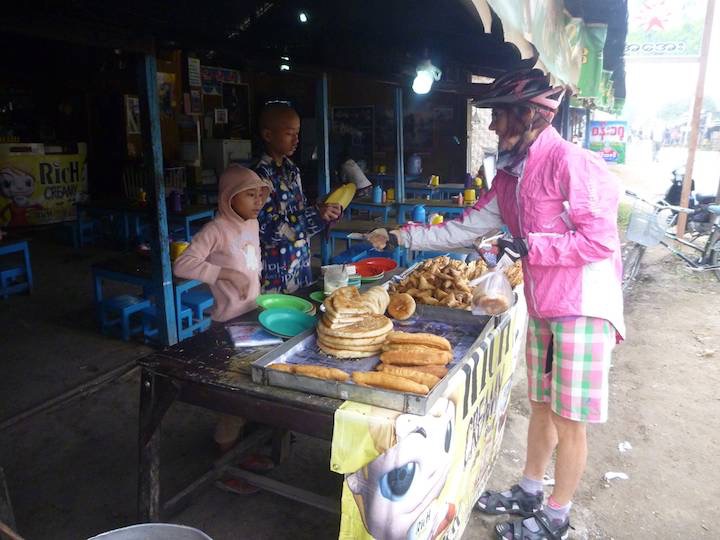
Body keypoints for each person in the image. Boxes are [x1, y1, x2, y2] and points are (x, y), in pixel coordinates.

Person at [368, 69, 625, 539]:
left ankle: (557, 516)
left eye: (499, 116)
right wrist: (400, 235)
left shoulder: (573, 163)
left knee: (570, 418)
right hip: (546, 302)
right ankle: (530, 489)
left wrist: (530, 247)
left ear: (529, 116)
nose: (491, 127)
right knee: (542, 404)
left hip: (585, 306)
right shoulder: (509, 175)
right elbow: (465, 227)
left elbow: (600, 241)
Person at [173, 165, 275, 493]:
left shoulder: (252, 223)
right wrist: (224, 275)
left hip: (254, 319)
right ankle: (224, 463)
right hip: (226, 326)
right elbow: (183, 264)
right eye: (250, 194)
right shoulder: (216, 229)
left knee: (250, 390)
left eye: (261, 194)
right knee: (233, 399)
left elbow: (249, 264)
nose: (258, 200)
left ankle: (240, 450)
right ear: (229, 198)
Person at [254, 102, 341, 293]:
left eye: (297, 133)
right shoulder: (258, 177)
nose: (296, 140)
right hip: (274, 274)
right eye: (289, 133)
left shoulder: (292, 170)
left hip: (300, 265)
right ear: (268, 135)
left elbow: (297, 211)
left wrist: (322, 210)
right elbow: (268, 228)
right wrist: (313, 216)